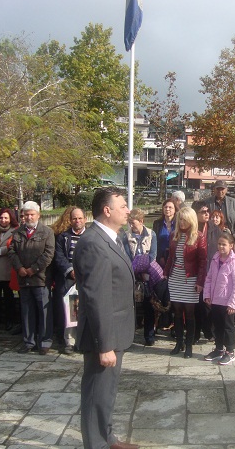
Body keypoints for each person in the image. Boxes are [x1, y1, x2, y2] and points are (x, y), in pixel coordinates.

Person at [72, 187, 137, 449]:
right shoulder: (93, 243)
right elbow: (97, 298)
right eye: (123, 206)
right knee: (96, 393)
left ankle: (106, 437)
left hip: (115, 329)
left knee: (106, 392)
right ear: (107, 210)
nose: (128, 210)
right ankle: (96, 444)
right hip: (104, 334)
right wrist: (105, 345)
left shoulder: (111, 238)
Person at [8, 201, 55, 354]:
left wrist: (33, 269)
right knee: (27, 311)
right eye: (26, 214)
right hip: (23, 279)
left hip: (40, 278)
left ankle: (45, 342)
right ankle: (29, 342)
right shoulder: (17, 233)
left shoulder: (47, 232)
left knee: (44, 311)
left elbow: (48, 254)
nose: (29, 217)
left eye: (32, 214)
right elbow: (12, 252)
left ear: (38, 215)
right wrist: (20, 268)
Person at [164, 207, 207, 359]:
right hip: (175, 278)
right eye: (180, 219)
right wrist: (166, 273)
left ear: (191, 220)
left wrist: (200, 281)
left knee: (189, 314)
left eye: (184, 219)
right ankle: (179, 342)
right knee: (176, 313)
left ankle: (189, 345)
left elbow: (203, 261)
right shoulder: (174, 235)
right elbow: (170, 257)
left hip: (190, 279)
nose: (181, 222)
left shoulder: (199, 236)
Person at [203, 233, 235, 365]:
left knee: (228, 327)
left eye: (224, 244)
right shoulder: (215, 260)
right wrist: (207, 295)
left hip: (227, 302)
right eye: (219, 244)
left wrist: (233, 303)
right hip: (215, 300)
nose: (221, 246)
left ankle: (230, 352)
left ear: (231, 246)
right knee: (217, 326)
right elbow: (209, 279)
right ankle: (219, 349)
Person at [122, 208, 158, 346]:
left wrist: (143, 268)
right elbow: (126, 254)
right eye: (130, 223)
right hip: (132, 273)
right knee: (131, 306)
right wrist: (135, 268)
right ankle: (129, 335)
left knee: (149, 304)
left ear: (142, 221)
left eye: (134, 223)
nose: (131, 226)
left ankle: (149, 335)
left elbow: (152, 255)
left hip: (147, 274)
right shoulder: (126, 236)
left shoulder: (151, 234)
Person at [53, 207, 86, 354]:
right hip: (69, 279)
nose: (77, 221)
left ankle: (84, 342)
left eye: (80, 218)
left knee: (87, 311)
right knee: (71, 311)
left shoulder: (91, 236)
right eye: (74, 218)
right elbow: (59, 257)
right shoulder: (63, 237)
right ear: (70, 220)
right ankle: (70, 342)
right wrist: (71, 271)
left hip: (87, 278)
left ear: (85, 219)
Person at [191, 201, 213, 343]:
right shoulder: (191, 231)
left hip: (211, 271)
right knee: (196, 305)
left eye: (207, 211)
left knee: (208, 304)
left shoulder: (214, 230)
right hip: (195, 272)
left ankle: (209, 331)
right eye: (203, 212)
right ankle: (195, 333)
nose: (206, 214)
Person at [152, 198, 176, 268]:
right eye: (165, 207)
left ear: (175, 210)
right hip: (161, 258)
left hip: (175, 258)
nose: (167, 209)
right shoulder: (157, 223)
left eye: (170, 207)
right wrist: (160, 257)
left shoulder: (179, 224)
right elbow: (155, 242)